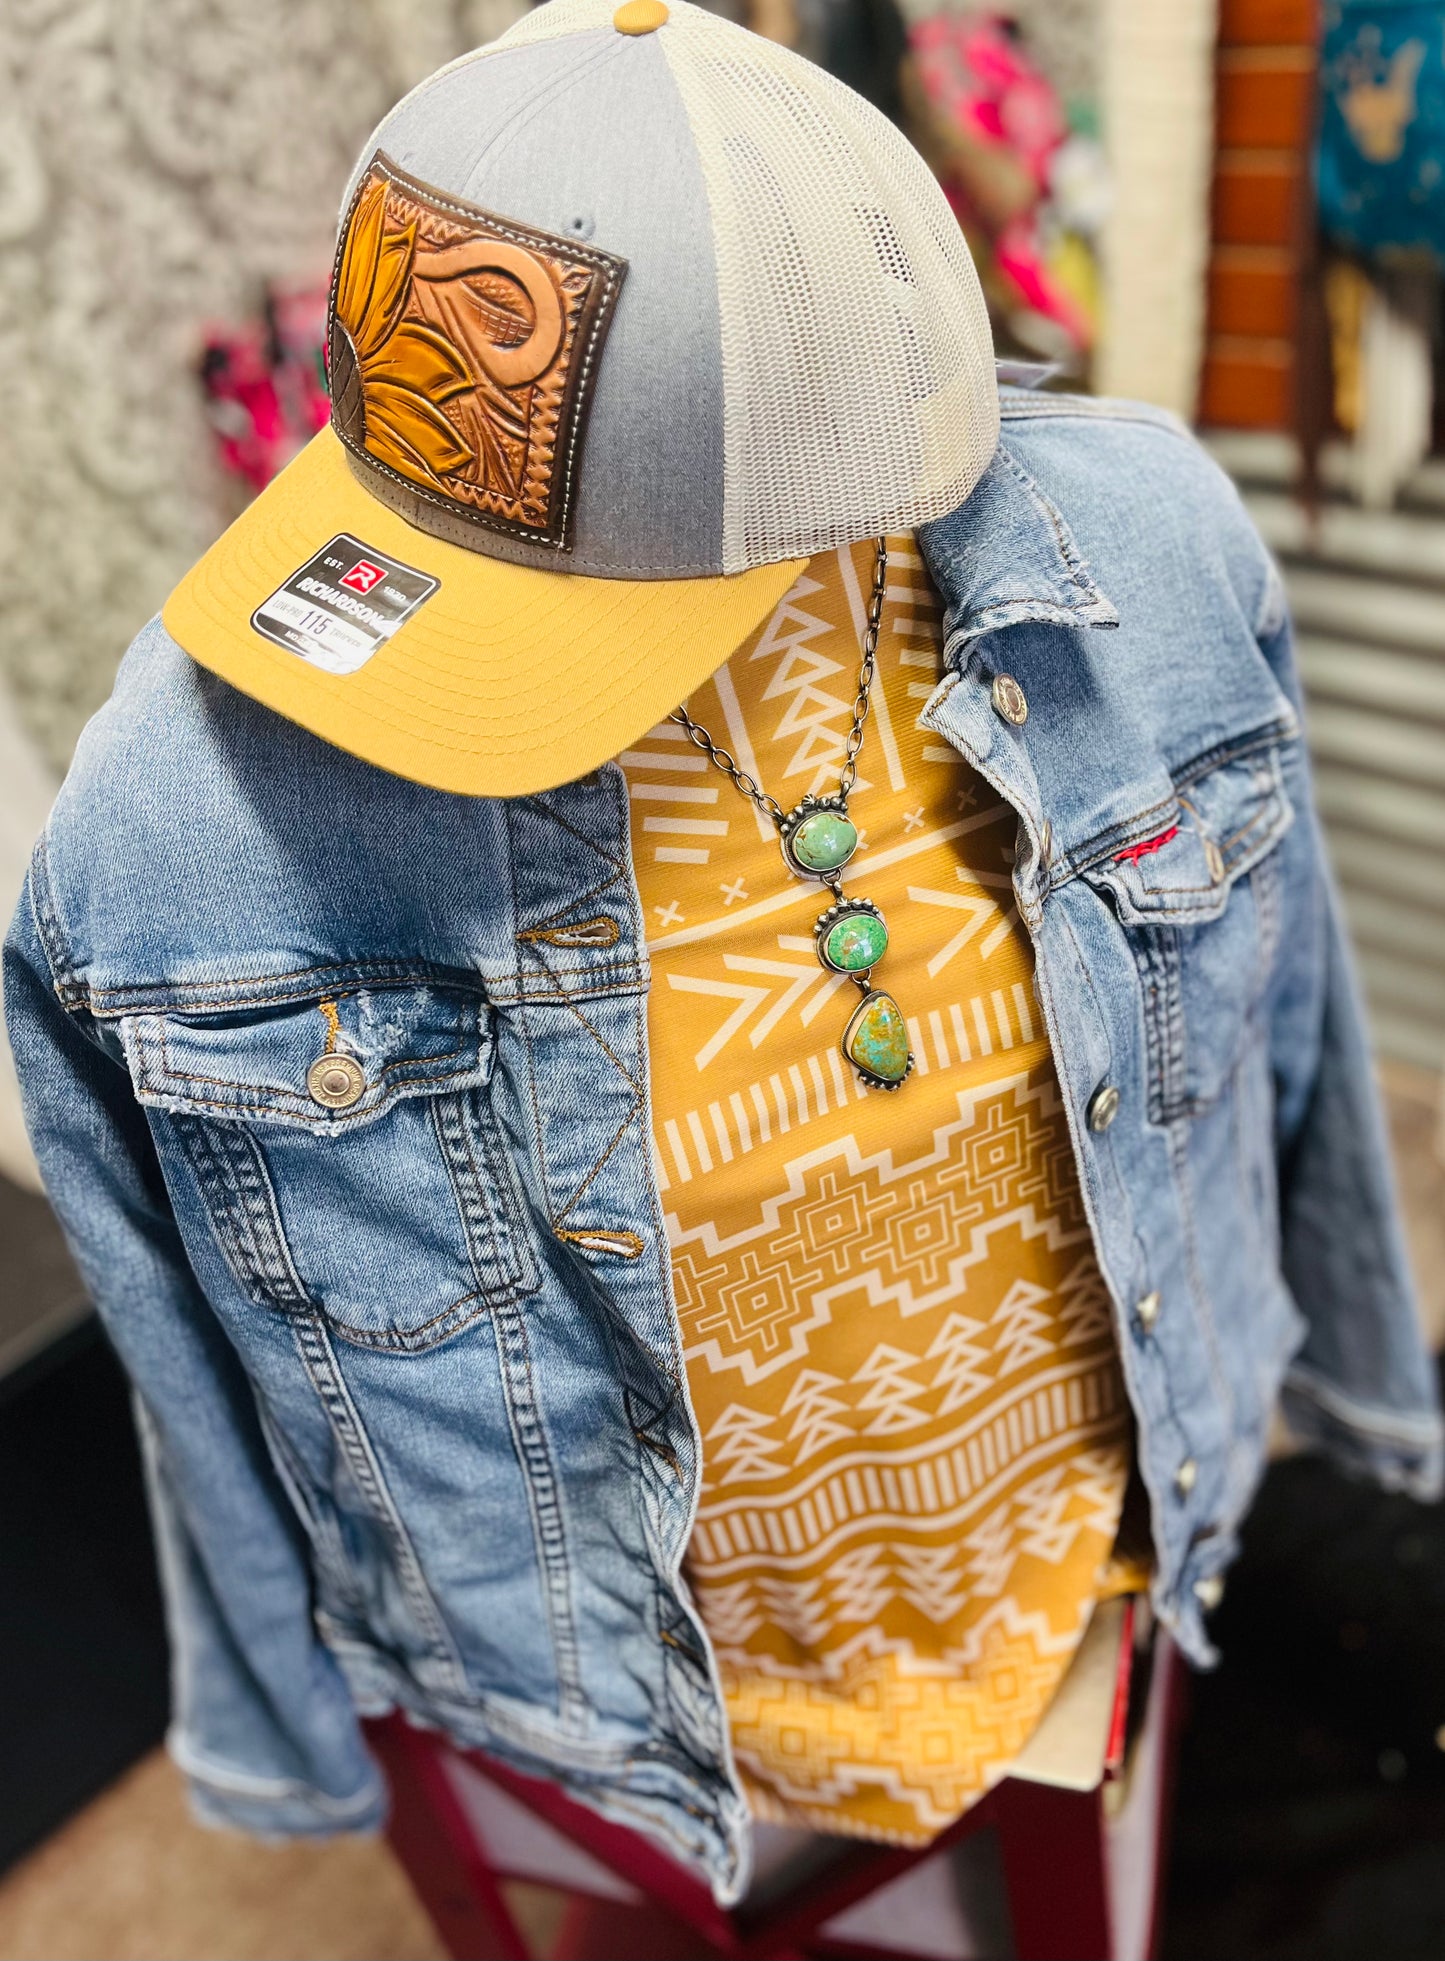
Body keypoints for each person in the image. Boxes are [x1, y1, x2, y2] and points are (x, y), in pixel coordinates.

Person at [6, 0, 1439, 1902]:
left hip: (1094, 1536)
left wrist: (1357, 1382)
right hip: (602, 1696)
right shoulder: (173, 825)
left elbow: (1285, 1019)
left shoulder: (1148, 550)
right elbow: (186, 1352)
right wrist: (280, 1723)